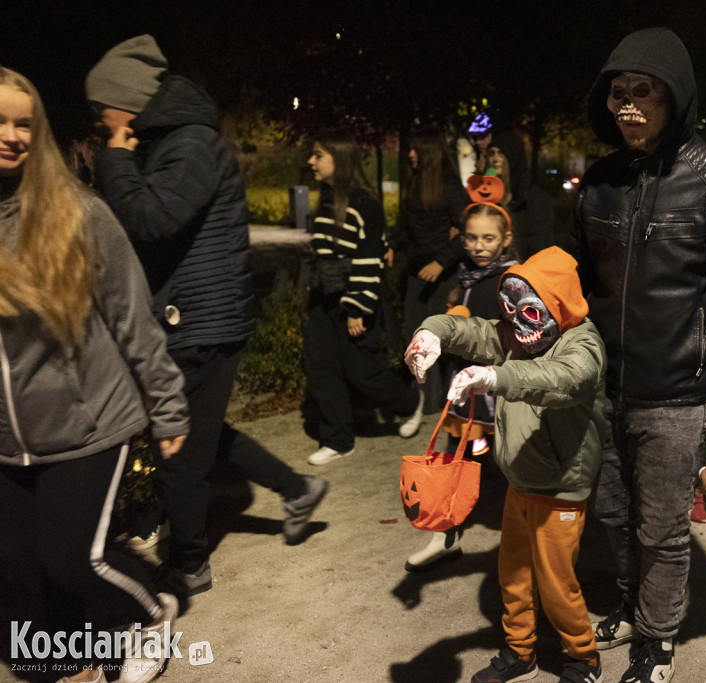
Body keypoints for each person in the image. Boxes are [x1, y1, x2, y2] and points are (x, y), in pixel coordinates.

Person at [85, 35, 328, 599]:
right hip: (199, 316)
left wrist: (116, 160)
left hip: (196, 320)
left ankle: (189, 563)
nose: (99, 118)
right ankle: (296, 488)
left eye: (103, 106)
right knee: (199, 433)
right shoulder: (174, 140)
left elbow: (152, 219)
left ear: (129, 99)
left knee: (178, 451)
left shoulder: (189, 144)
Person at [571, 28, 706, 683]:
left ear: (674, 97)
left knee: (661, 527)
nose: (627, 105)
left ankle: (657, 640)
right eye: (618, 92)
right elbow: (573, 281)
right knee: (611, 511)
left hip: (677, 396)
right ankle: (633, 606)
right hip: (601, 386)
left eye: (644, 91)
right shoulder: (597, 182)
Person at [0, 66, 186, 683]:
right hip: (8, 440)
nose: (11, 135)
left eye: (24, 123)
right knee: (20, 572)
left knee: (73, 563)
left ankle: (152, 616)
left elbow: (133, 314)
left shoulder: (78, 214)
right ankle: (70, 653)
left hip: (89, 422)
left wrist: (167, 406)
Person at [405, 246, 607, 683]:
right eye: (508, 308)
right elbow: (470, 330)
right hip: (521, 480)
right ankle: (521, 653)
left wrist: (497, 377)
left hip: (560, 485)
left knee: (557, 585)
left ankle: (583, 657)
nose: (515, 322)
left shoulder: (583, 344)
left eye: (529, 311)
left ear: (558, 305)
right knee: (512, 574)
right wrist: (431, 332)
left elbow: (560, 380)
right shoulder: (516, 334)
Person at [404, 178, 518, 572]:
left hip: (500, 390)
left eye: (488, 238)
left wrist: (470, 326)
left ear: (506, 239)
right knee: (454, 460)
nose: (478, 246)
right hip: (464, 391)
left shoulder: (515, 279)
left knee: (511, 464)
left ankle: (527, 542)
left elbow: (520, 336)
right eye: (471, 238)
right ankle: (445, 535)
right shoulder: (466, 274)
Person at [304, 131, 424, 465]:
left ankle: (409, 402)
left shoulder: (364, 202)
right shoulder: (327, 199)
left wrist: (358, 307)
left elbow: (368, 259)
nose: (311, 162)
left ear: (338, 160)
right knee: (322, 369)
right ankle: (339, 439)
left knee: (363, 372)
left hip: (355, 296)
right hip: (323, 297)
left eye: (318, 155)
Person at [400, 126, 470, 413]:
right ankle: (424, 399)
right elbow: (407, 226)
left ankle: (446, 397)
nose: (411, 155)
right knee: (414, 336)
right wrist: (393, 244)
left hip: (444, 275)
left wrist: (441, 260)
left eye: (417, 150)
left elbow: (468, 230)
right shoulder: (415, 183)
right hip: (417, 272)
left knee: (440, 338)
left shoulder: (449, 187)